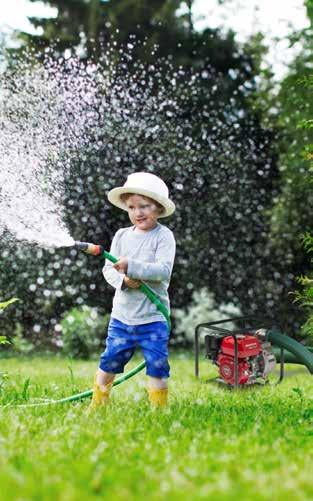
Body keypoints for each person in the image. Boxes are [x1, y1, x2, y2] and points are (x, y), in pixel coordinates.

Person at [90, 172, 176, 409]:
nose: (138, 212)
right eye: (132, 207)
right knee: (109, 361)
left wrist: (133, 267)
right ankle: (98, 405)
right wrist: (124, 281)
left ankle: (159, 410)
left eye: (144, 206)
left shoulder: (164, 236)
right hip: (123, 317)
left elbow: (163, 270)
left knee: (157, 365)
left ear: (158, 207)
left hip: (153, 317)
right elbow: (109, 270)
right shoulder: (121, 236)